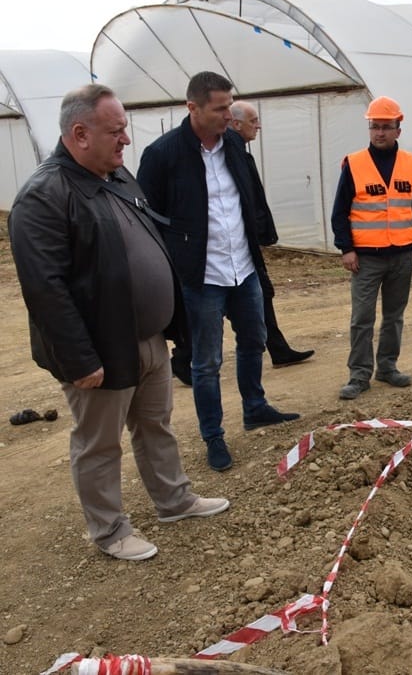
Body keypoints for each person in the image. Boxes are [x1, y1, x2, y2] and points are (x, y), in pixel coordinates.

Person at [8, 84, 229, 561]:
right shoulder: (45, 196)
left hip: (147, 337)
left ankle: (174, 500)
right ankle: (109, 530)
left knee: (156, 425)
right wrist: (79, 359)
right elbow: (46, 290)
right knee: (99, 444)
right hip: (100, 349)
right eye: (116, 130)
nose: (125, 139)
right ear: (80, 133)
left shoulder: (115, 176)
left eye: (124, 128)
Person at [137, 71, 299, 472]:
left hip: (243, 268)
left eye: (230, 105)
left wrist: (260, 244)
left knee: (253, 341)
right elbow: (147, 217)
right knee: (206, 362)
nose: (229, 114)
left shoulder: (232, 144)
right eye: (220, 108)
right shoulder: (163, 155)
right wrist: (174, 265)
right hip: (201, 277)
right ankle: (214, 436)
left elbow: (247, 198)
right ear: (192, 107)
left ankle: (255, 407)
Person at [168, 100, 315, 385]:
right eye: (253, 120)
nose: (258, 125)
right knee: (214, 310)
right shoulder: (217, 155)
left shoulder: (238, 153)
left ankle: (278, 348)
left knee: (262, 296)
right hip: (220, 253)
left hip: (244, 246)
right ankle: (184, 358)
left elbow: (251, 199)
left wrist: (262, 231)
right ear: (234, 124)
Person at [330, 95, 412, 400]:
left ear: (398, 130)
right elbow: (340, 211)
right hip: (365, 258)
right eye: (375, 127)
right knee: (362, 318)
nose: (379, 133)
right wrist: (346, 248)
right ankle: (359, 375)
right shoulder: (354, 164)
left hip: (402, 255)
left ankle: (387, 367)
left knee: (394, 316)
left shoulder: (410, 163)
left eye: (386, 127)